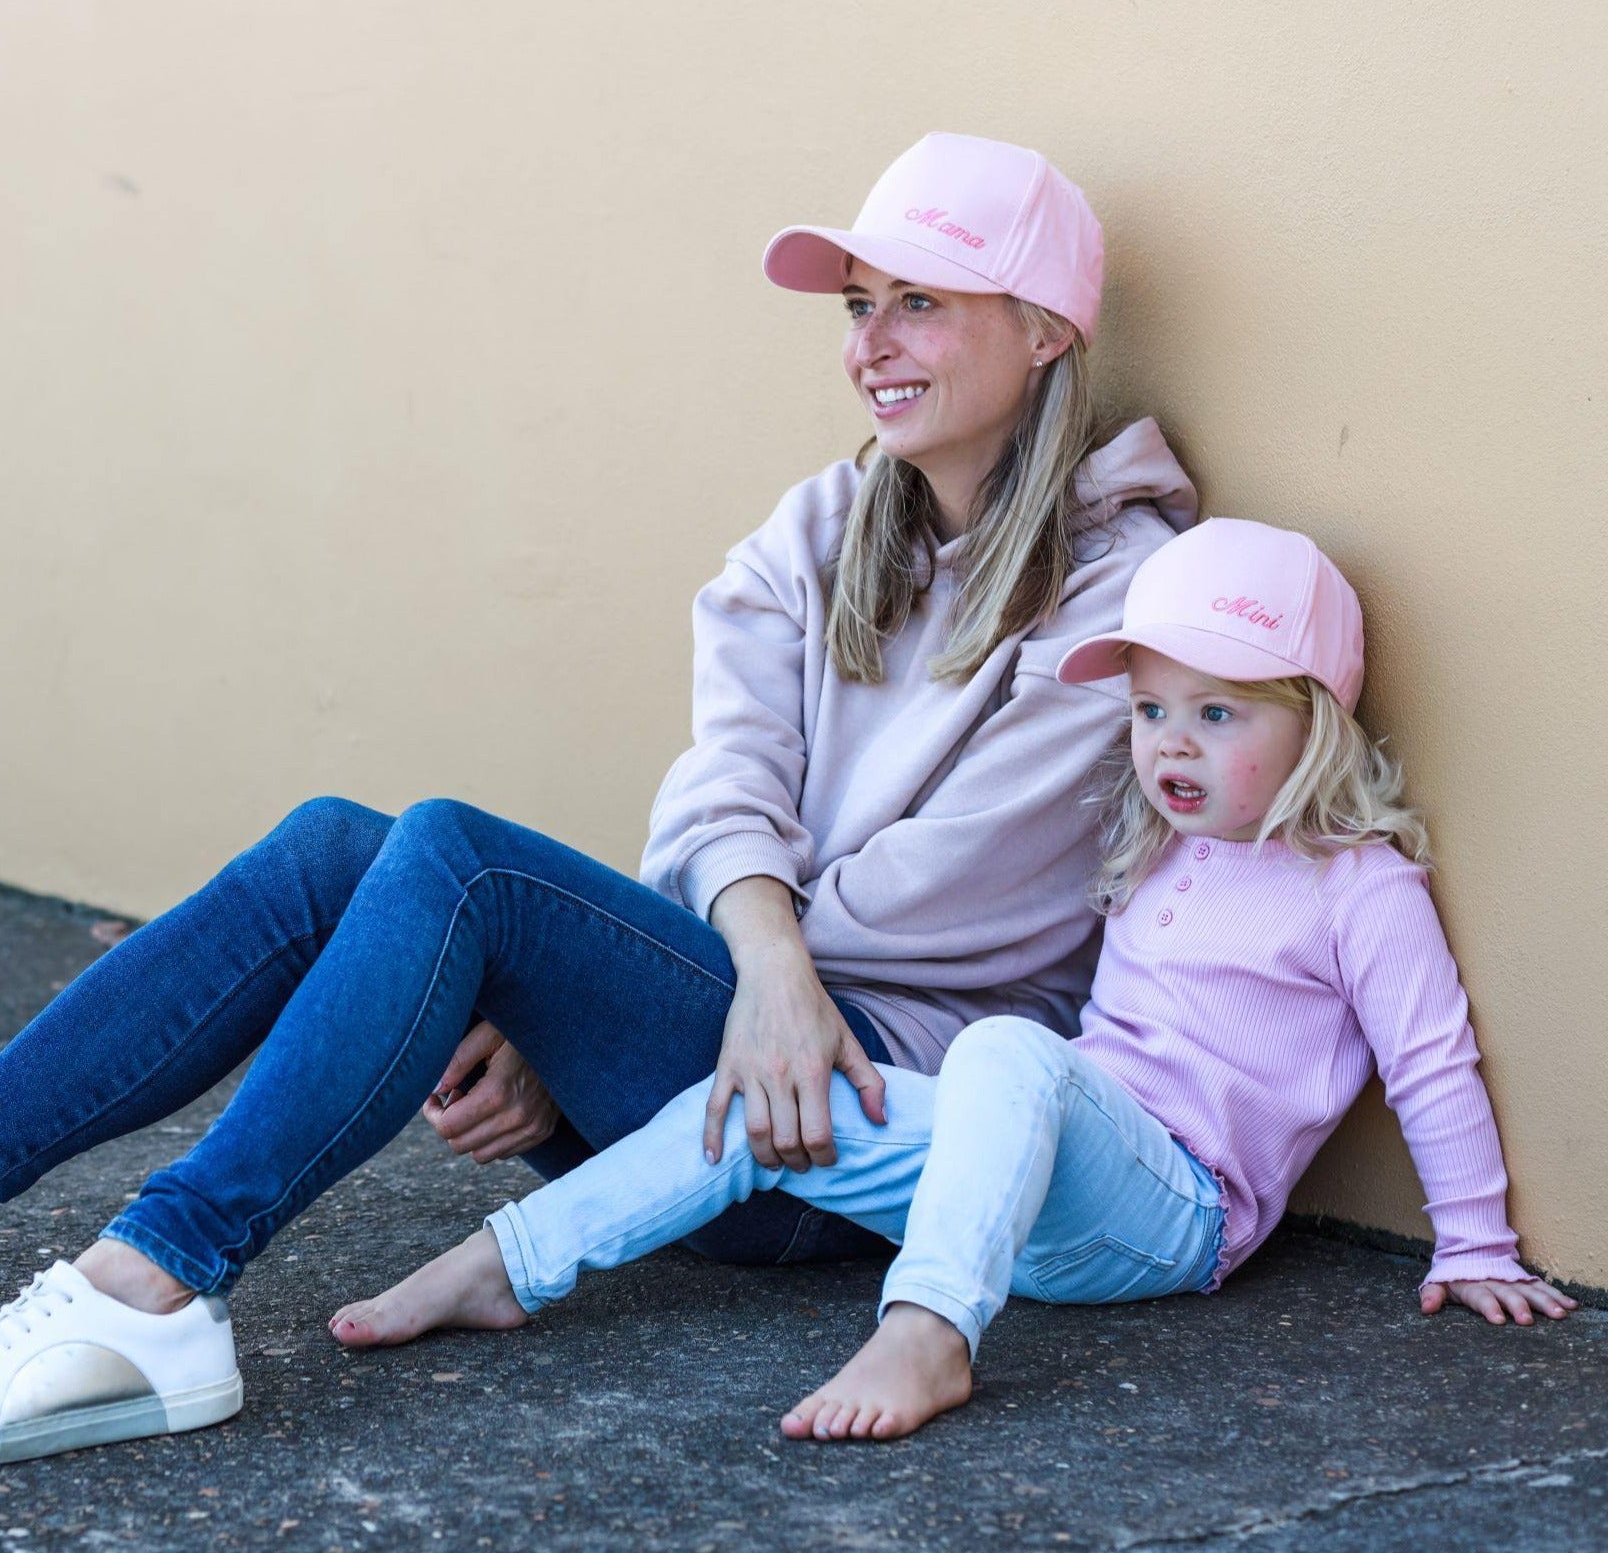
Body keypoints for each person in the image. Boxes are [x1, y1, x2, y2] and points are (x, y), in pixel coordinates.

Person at [0, 132, 1198, 1464]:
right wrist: (583, 1008)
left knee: (466, 865)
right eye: (860, 306)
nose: (870, 343)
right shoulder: (825, 528)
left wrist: (607, 985)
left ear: (1041, 328)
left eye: (918, 301)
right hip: (750, 1030)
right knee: (337, 848)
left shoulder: (1124, 602)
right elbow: (721, 786)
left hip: (843, 1124)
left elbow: (958, 900)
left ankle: (152, 1282)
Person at [327, 518, 1577, 1442]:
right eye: (1150, 713)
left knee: (1007, 1053)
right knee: (776, 1090)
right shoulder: (1157, 849)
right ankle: (513, 1259)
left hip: (1177, 1214)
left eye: (1219, 715)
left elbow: (1430, 1056)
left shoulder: (1360, 886)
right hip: (1030, 1176)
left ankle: (927, 1332)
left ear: (1316, 719)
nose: (1171, 746)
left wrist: (1474, 1240)